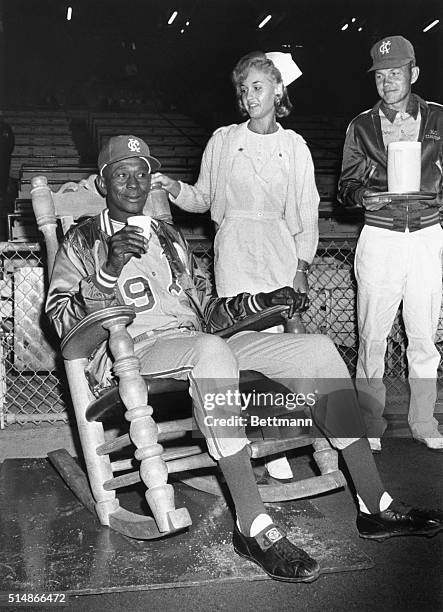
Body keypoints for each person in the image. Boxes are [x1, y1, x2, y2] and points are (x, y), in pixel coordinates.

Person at [46, 135, 443, 584]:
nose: (134, 183)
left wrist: (261, 301)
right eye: (121, 174)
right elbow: (62, 325)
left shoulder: (169, 237)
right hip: (132, 352)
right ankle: (252, 525)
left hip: (196, 340)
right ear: (103, 183)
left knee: (318, 350)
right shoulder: (82, 239)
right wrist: (107, 270)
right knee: (211, 353)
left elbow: (208, 314)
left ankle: (375, 504)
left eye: (141, 173)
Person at [151, 50, 318, 480]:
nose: (249, 97)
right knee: (238, 345)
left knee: (283, 346)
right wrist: (172, 188)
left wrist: (300, 266)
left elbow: (307, 213)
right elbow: (203, 199)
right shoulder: (223, 140)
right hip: (235, 251)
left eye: (258, 87)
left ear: (279, 89)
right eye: (243, 91)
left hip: (279, 251)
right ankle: (246, 437)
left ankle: (279, 434)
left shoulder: (294, 146)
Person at [338, 35, 443, 453]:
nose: (387, 82)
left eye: (395, 73)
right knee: (372, 335)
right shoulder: (360, 125)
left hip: (425, 235)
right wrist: (364, 196)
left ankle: (423, 419)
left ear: (413, 74)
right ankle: (368, 420)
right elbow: (345, 188)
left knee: (422, 334)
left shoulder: (439, 118)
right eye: (381, 76)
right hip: (379, 235)